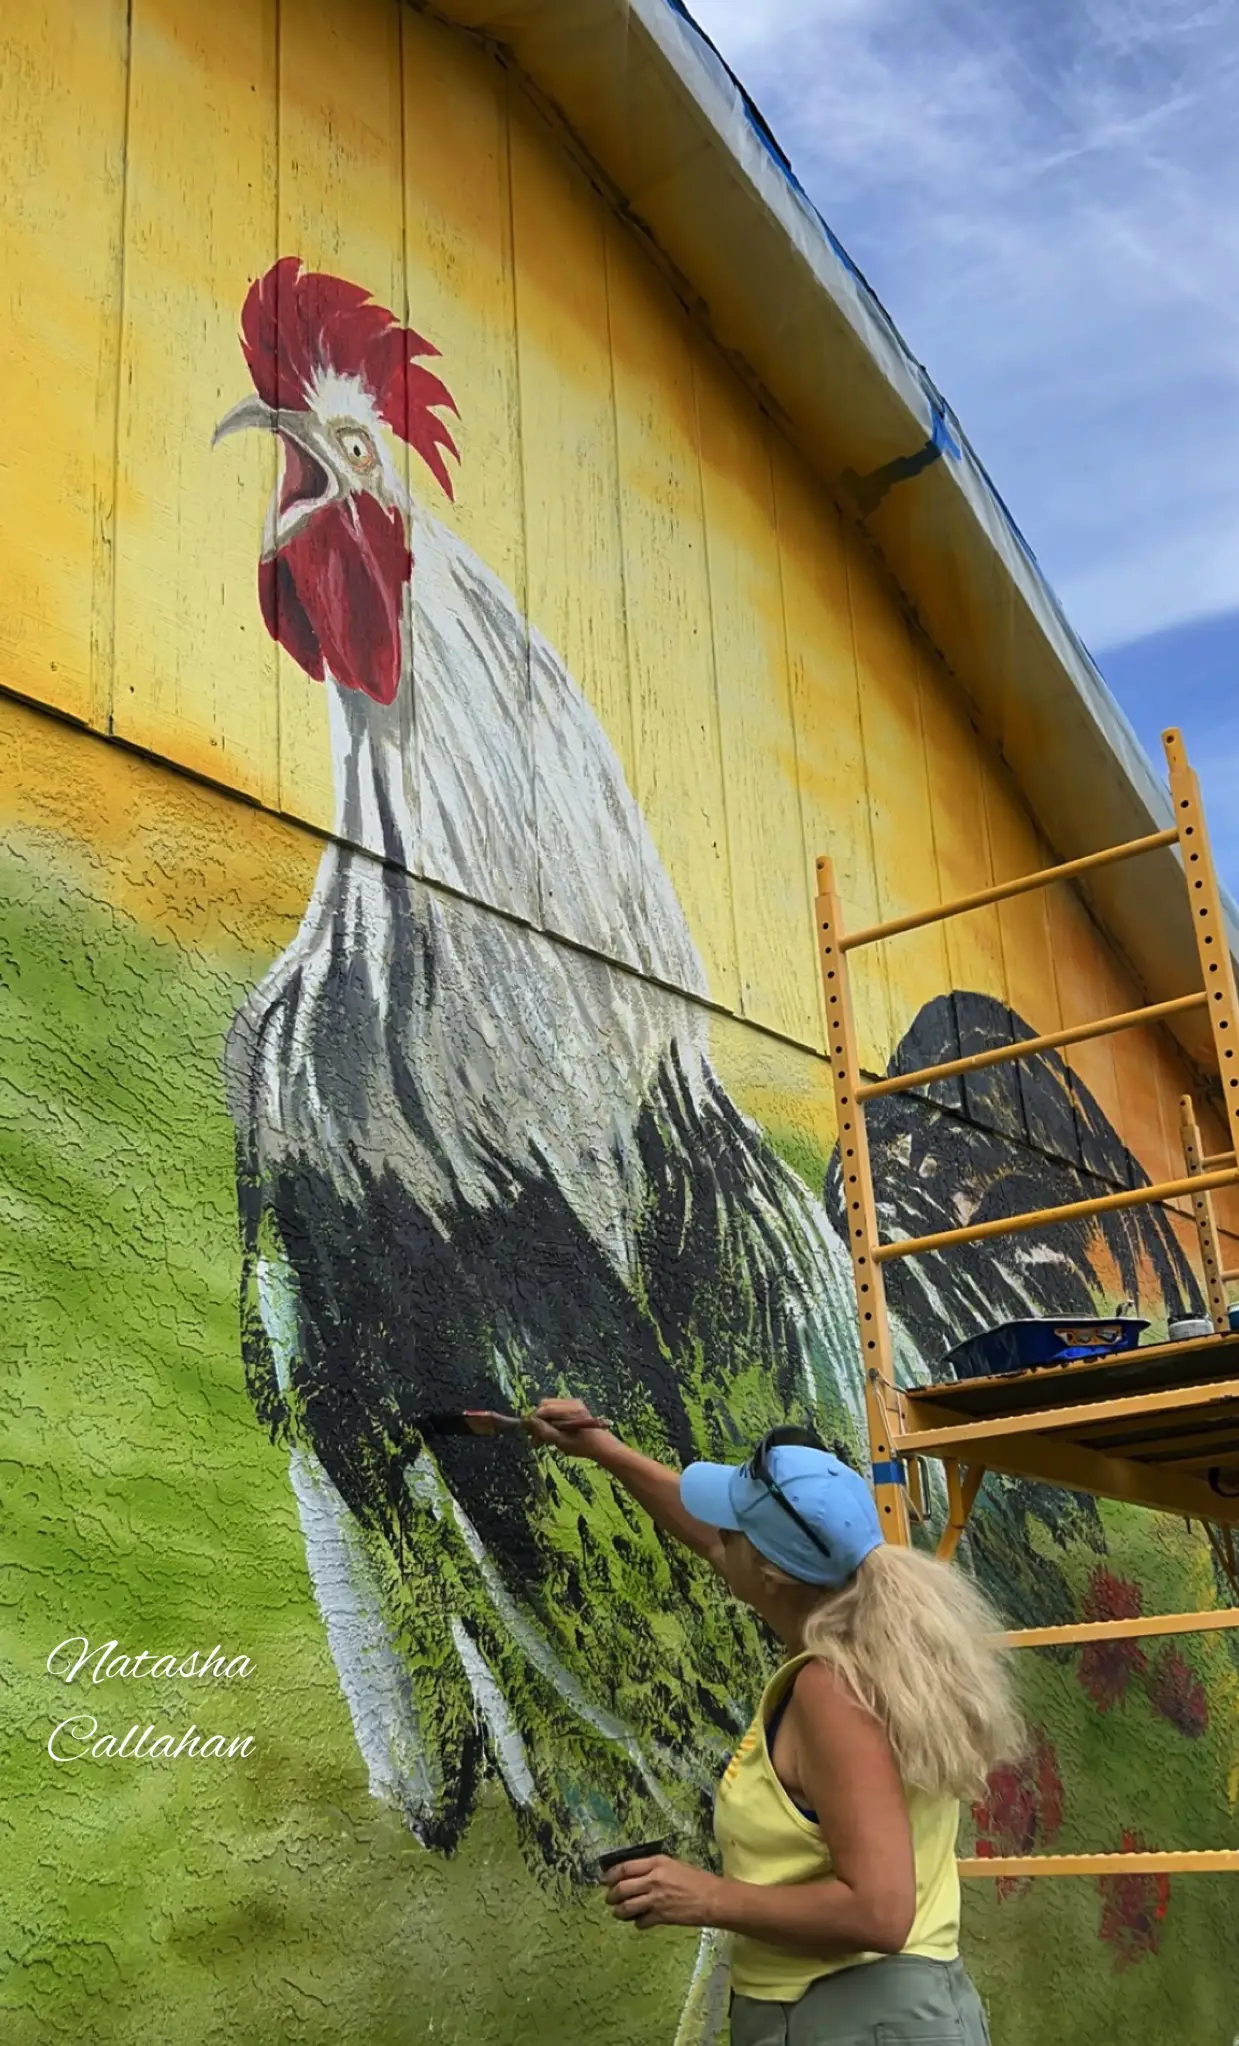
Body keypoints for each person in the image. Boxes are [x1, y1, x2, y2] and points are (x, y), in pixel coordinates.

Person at [528, 1403, 1023, 2046]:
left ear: (770, 1573)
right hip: (871, 2016)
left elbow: (880, 1912)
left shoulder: (833, 1694)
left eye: (733, 1531)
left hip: (857, 2020)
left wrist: (703, 1898)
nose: (715, 1539)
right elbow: (713, 1536)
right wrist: (605, 1449)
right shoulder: (868, 1637)